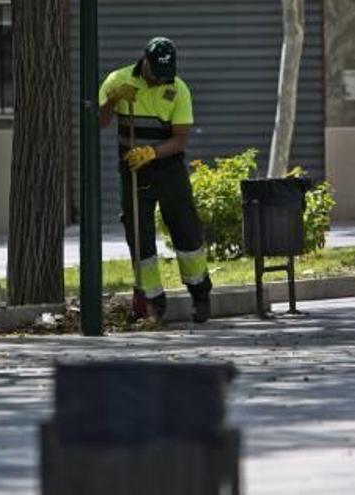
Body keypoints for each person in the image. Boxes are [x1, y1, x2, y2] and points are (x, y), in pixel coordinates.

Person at [98, 36, 212, 323]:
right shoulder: (118, 79)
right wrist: (113, 99)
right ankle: (152, 302)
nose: (163, 81)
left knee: (185, 227)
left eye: (167, 75)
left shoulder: (178, 88)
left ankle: (200, 294)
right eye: (158, 74)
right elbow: (98, 122)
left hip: (168, 167)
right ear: (145, 63)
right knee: (138, 233)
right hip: (133, 170)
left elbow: (180, 139)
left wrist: (151, 152)